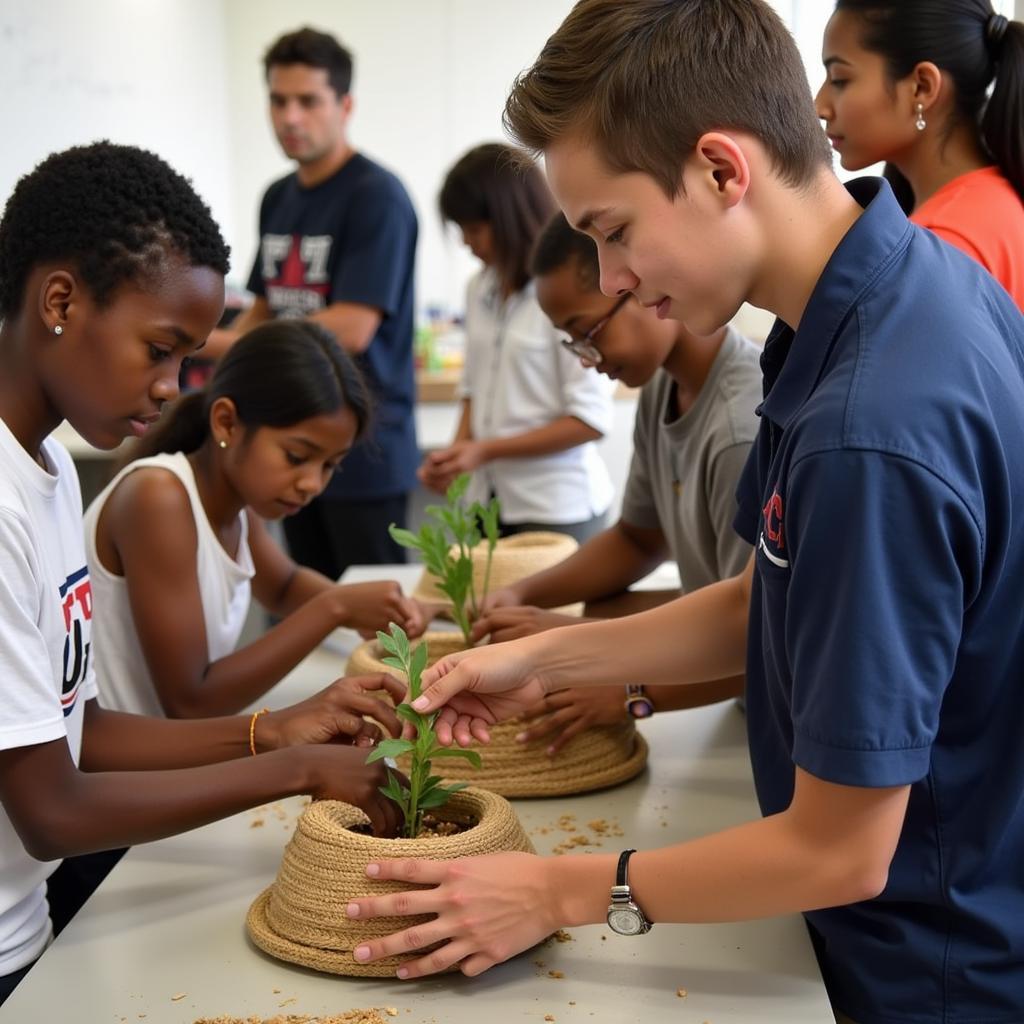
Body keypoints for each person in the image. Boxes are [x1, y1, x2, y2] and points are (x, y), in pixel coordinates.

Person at [342, 3, 1024, 1022]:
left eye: (612, 233)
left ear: (719, 168)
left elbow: (839, 848)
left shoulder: (867, 426)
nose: (616, 280)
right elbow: (774, 595)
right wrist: (545, 658)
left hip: (920, 968)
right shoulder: (882, 298)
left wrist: (558, 889)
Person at [0, 141, 408, 1004]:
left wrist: (278, 731)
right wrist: (290, 765)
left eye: (183, 359)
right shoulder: (48, 494)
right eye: (158, 349)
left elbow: (85, 730)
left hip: (23, 918)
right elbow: (51, 810)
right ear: (61, 301)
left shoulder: (53, 471)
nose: (167, 387)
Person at [473, 212, 761, 753]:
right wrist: (523, 594)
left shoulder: (738, 431)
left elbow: (764, 640)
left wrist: (631, 694)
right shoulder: (661, 389)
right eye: (571, 342)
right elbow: (638, 539)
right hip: (730, 692)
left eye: (588, 333)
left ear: (642, 286)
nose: (588, 360)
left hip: (767, 702)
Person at [84, 320, 426, 720]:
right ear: (227, 422)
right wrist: (335, 607)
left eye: (330, 465)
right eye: (297, 457)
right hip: (120, 775)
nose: (312, 484)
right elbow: (191, 701)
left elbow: (283, 586)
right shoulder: (159, 498)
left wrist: (387, 610)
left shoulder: (235, 503)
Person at [210, 27, 419, 580]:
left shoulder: (377, 196)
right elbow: (264, 307)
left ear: (344, 105)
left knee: (376, 622)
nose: (290, 118)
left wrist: (212, 345)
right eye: (279, 101)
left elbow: (350, 329)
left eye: (308, 101)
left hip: (360, 451)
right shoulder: (278, 196)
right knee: (311, 607)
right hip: (285, 438)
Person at [419, 143, 615, 543]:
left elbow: (589, 420)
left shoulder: (566, 295)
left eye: (473, 230)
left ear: (509, 219)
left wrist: (485, 450)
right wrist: (454, 457)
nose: (466, 243)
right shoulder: (479, 288)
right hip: (485, 504)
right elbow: (473, 387)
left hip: (556, 507)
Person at [815, 0, 1024, 308]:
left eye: (840, 80)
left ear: (922, 88)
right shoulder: (1000, 200)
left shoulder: (942, 244)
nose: (820, 105)